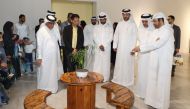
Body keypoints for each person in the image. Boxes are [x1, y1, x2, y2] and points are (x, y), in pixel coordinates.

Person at [132, 12, 174, 109]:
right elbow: (150, 43)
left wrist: (140, 48)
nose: (153, 23)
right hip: (154, 60)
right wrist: (140, 47)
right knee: (153, 81)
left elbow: (157, 44)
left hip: (164, 61)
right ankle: (152, 101)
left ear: (161, 20)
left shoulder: (168, 31)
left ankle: (161, 104)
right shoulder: (155, 31)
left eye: (155, 21)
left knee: (162, 83)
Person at [36, 11, 63, 93]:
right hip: (45, 57)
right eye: (50, 23)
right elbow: (39, 46)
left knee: (53, 73)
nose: (52, 25)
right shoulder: (41, 31)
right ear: (46, 22)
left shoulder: (53, 30)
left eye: (53, 23)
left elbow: (56, 43)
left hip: (53, 57)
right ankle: (43, 88)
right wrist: (39, 57)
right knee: (44, 72)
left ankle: (53, 88)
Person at [112, 9, 138, 87]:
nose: (125, 16)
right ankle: (118, 79)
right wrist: (114, 45)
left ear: (129, 15)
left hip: (129, 49)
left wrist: (133, 49)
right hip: (120, 48)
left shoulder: (133, 25)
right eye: (124, 14)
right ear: (122, 15)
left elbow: (135, 37)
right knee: (119, 63)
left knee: (128, 64)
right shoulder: (119, 24)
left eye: (127, 15)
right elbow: (116, 35)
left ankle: (127, 80)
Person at [135, 13, 154, 99]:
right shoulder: (140, 29)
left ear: (150, 21)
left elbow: (153, 44)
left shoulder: (154, 30)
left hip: (150, 56)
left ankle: (148, 93)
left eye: (146, 21)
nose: (144, 23)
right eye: (143, 21)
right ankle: (140, 91)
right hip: (141, 56)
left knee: (149, 74)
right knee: (141, 73)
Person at [92, 12, 113, 82]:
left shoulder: (110, 27)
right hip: (98, 48)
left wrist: (104, 45)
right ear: (99, 20)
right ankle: (97, 77)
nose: (102, 20)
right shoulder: (96, 27)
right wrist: (99, 45)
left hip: (106, 48)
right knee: (97, 63)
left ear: (106, 19)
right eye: (101, 19)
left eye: (103, 19)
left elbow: (111, 37)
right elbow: (95, 37)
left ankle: (105, 78)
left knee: (105, 63)